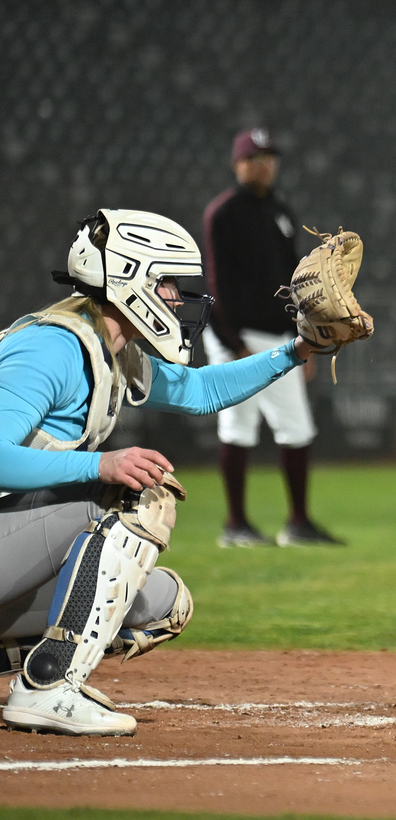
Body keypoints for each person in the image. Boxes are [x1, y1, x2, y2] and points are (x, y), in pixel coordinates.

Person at [0, 208, 334, 735]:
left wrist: (298, 350)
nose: (178, 298)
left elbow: (200, 391)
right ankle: (47, 686)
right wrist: (102, 464)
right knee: (136, 492)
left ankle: (49, 676)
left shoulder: (109, 350)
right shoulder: (53, 347)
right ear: (129, 279)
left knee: (161, 603)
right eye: (168, 282)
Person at [203, 127, 337, 548]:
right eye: (255, 158)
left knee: (296, 426)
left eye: (269, 158)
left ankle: (297, 523)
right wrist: (231, 341)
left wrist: (307, 337)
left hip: (280, 336)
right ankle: (235, 525)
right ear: (238, 163)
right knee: (238, 425)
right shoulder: (222, 213)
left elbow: (294, 280)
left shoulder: (280, 210)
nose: (264, 165)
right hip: (237, 334)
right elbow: (216, 282)